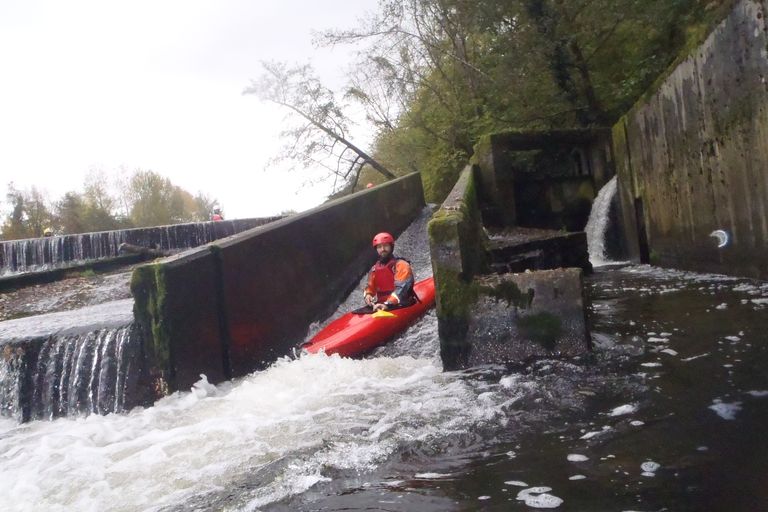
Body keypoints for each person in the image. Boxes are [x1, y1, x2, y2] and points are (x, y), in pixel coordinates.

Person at [363, 232, 416, 311]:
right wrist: (368, 295)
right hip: (381, 304)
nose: (383, 249)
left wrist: (388, 303)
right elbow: (370, 287)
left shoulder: (401, 265)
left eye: (385, 246)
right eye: (379, 247)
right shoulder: (374, 269)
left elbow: (401, 290)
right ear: (376, 250)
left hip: (401, 303)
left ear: (391, 247)